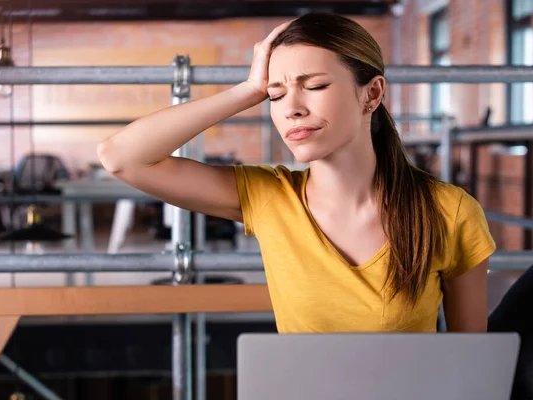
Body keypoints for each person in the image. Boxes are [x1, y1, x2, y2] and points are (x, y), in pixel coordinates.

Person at [97, 13, 495, 333]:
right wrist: (248, 90)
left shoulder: (449, 210)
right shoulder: (270, 197)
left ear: (371, 94)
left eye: (315, 85)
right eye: (276, 95)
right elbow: (121, 157)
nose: (291, 108)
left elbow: (472, 367)